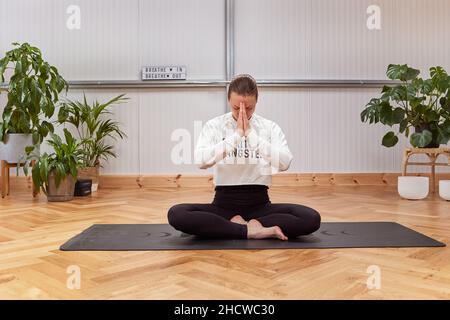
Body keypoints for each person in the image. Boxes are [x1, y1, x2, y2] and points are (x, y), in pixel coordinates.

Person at [168, 74, 321, 240]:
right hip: (223, 206)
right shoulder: (214, 126)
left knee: (311, 218)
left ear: (256, 102)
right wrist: (237, 135)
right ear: (228, 100)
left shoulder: (269, 127)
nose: (243, 112)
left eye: (249, 108)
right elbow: (201, 161)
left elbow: (284, 163)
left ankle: (242, 225)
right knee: (177, 214)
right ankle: (252, 230)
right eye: (236, 107)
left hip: (260, 206)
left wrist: (250, 135)